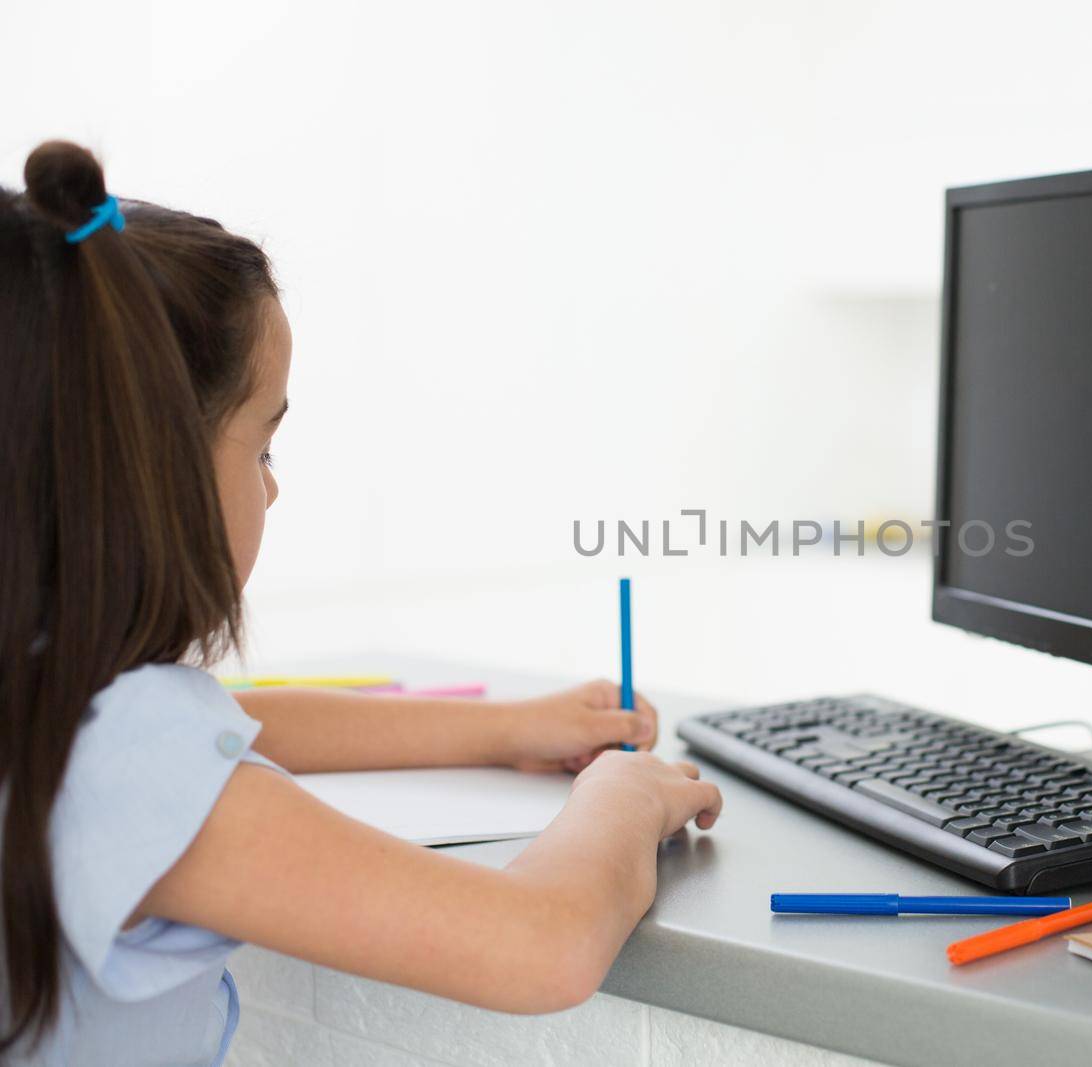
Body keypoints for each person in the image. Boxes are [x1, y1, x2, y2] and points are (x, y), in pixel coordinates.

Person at [0, 140, 723, 1066]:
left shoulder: (48, 697)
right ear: (155, 471)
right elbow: (539, 941)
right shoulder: (121, 766)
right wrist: (618, 797)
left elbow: (237, 720)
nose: (272, 490)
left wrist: (503, 728)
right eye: (262, 448)